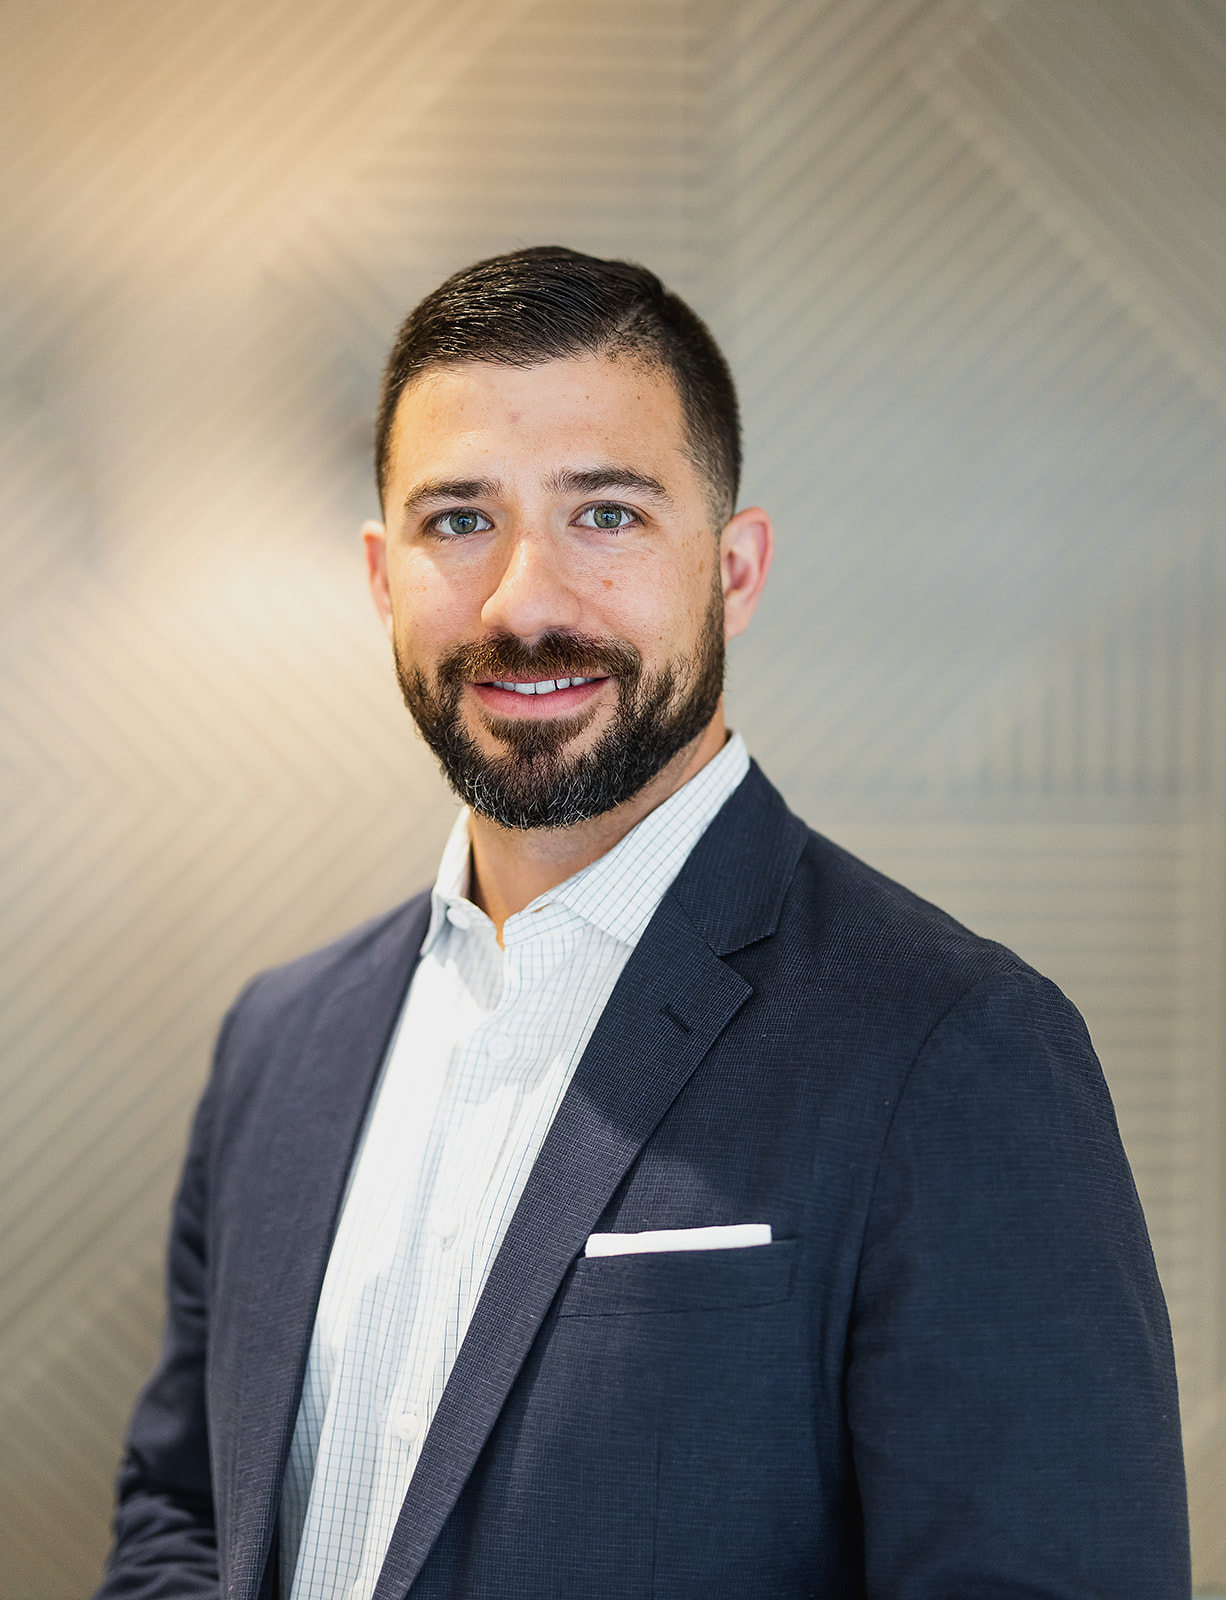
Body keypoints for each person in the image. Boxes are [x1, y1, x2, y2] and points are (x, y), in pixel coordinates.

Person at [96, 246, 1190, 1600]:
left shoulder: (955, 1047)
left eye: (604, 515)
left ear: (732, 568)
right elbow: (183, 1516)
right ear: (381, 576)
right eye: (457, 521)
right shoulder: (278, 1043)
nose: (523, 600)